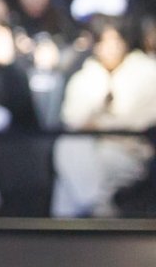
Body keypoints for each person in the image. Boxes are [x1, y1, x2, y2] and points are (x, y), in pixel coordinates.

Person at [52, 14, 156, 217]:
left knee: (68, 179)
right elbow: (72, 121)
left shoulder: (148, 72)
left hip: (130, 150)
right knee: (68, 146)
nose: (109, 48)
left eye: (115, 41)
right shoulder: (85, 76)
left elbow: (141, 123)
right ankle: (97, 207)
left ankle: (67, 228)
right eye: (102, 42)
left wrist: (99, 124)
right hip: (88, 148)